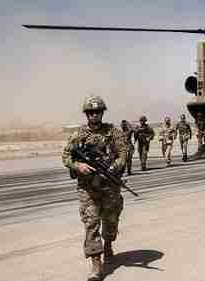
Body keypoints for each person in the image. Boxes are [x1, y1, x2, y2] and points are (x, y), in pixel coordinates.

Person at [62, 95, 127, 281]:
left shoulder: (113, 131)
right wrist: (78, 166)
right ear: (86, 114)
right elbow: (66, 157)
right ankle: (96, 265)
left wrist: (115, 166)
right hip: (87, 188)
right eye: (90, 112)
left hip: (109, 185)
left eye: (97, 112)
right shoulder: (78, 135)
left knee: (111, 220)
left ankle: (108, 243)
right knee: (91, 223)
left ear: (102, 113)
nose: (94, 115)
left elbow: (123, 151)